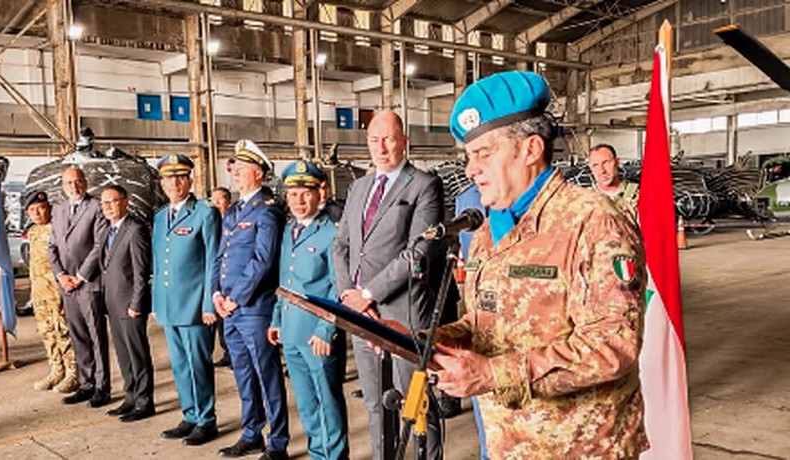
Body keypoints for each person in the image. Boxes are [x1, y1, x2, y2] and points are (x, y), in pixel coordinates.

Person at [433, 70, 648, 458]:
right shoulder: (488, 230)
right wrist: (438, 337)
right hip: (508, 443)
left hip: (581, 448)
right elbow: (487, 324)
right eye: (468, 157)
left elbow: (614, 342)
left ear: (530, 149)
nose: (471, 168)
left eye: (484, 153)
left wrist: (493, 373)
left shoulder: (593, 221)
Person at [332, 110, 444, 460]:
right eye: (373, 140)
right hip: (360, 313)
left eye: (389, 139)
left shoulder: (424, 185)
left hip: (403, 314)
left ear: (404, 141)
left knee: (417, 402)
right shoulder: (359, 187)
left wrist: (368, 293)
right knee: (377, 403)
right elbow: (342, 246)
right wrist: (351, 297)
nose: (381, 147)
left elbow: (418, 253)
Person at [212, 140, 289, 460]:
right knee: (243, 372)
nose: (235, 174)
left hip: (254, 309)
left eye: (241, 170)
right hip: (229, 308)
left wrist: (236, 298)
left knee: (266, 374)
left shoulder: (268, 210)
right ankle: (251, 432)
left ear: (258, 174)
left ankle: (278, 442)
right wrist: (216, 294)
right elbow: (220, 256)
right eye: (235, 169)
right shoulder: (234, 211)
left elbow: (263, 260)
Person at [268, 161, 349, 460]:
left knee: (327, 401)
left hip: (317, 335)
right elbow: (285, 281)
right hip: (291, 332)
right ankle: (318, 453)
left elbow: (337, 287)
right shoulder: (289, 230)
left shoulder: (332, 233)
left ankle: (336, 456)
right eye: (293, 195)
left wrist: (326, 328)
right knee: (306, 403)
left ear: (320, 194)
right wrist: (277, 320)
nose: (299, 201)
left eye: (306, 194)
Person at [152, 154, 221, 446]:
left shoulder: (205, 212)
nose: (174, 183)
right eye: (168, 178)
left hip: (195, 307)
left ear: (190, 179)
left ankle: (206, 419)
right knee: (180, 365)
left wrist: (208, 304)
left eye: (180, 177)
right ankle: (190, 414)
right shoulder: (159, 217)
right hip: (170, 306)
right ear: (161, 183)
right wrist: (157, 304)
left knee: (198, 364)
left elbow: (213, 262)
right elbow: (158, 264)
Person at [48, 167, 111, 407]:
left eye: (78, 181)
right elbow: (52, 247)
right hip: (67, 285)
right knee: (78, 336)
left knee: (96, 335)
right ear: (62, 185)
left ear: (85, 182)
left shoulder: (96, 207)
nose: (74, 187)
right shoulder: (59, 210)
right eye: (68, 183)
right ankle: (86, 384)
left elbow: (99, 245)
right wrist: (61, 275)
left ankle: (102, 387)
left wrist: (80, 276)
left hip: (88, 283)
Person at [98, 185, 155, 422]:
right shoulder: (106, 231)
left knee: (137, 353)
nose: (108, 207)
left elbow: (141, 273)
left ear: (125, 201)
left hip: (131, 304)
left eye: (112, 202)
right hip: (113, 302)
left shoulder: (135, 230)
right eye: (104, 203)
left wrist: (137, 303)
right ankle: (130, 397)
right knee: (123, 354)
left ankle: (144, 402)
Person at [25, 191, 78, 393]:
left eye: (41, 208)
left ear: (48, 208)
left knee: (64, 333)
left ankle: (73, 373)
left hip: (57, 293)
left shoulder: (58, 229)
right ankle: (57, 370)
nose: (37, 213)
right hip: (40, 295)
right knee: (47, 334)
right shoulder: (32, 232)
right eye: (32, 210)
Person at [209, 186, 233, 369]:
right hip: (217, 278)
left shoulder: (233, 221)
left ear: (228, 202)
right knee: (220, 321)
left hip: (231, 280)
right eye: (213, 201)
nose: (216, 204)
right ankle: (226, 352)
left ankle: (234, 354)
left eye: (220, 200)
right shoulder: (211, 223)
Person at [589, 143, 639, 226]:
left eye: (606, 162)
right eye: (595, 165)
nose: (602, 171)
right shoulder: (584, 198)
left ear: (617, 162)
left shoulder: (638, 195)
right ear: (591, 168)